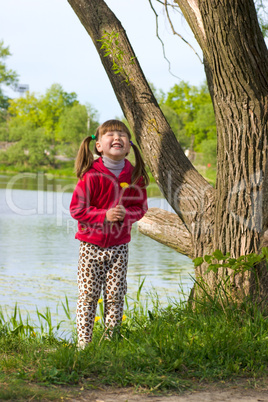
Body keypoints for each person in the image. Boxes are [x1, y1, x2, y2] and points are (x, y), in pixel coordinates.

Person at [70, 119, 149, 348]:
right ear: (98, 146)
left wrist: (127, 215)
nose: (117, 138)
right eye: (110, 135)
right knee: (88, 296)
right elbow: (77, 209)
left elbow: (141, 208)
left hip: (119, 246)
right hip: (90, 245)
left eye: (122, 135)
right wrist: (104, 215)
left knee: (115, 295)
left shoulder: (135, 176)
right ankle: (83, 345)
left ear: (129, 145)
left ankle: (111, 344)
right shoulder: (91, 174)